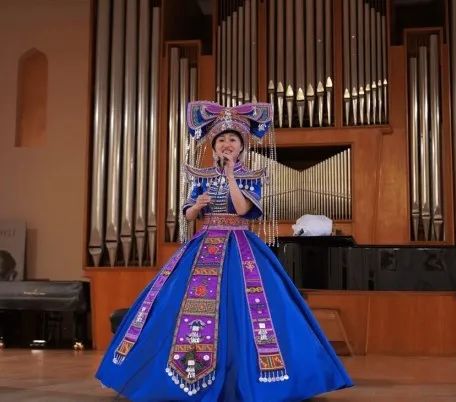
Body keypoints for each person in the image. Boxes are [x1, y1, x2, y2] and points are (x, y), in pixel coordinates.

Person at [96, 101, 353, 401]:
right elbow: (188, 215)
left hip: (240, 246)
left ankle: (251, 377)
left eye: (232, 139)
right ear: (213, 146)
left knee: (247, 309)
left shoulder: (252, 177)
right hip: (202, 245)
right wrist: (197, 205)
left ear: (242, 146)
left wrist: (231, 176)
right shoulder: (200, 177)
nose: (227, 144)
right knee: (170, 305)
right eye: (221, 140)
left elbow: (243, 210)